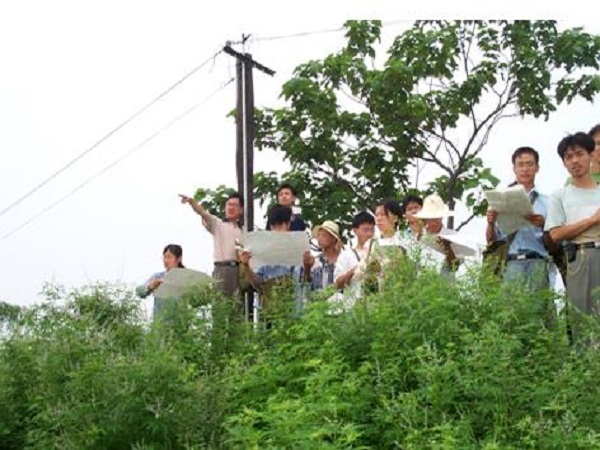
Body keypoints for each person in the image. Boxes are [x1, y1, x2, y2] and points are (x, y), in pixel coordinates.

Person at [545, 132, 600, 322]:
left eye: (580, 154)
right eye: (569, 157)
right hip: (579, 258)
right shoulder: (560, 195)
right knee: (582, 321)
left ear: (591, 155)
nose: (575, 160)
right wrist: (592, 221)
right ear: (564, 163)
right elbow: (555, 234)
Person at [485, 147, 550, 290]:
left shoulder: (547, 202)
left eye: (529, 164)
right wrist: (490, 223)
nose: (525, 169)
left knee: (538, 309)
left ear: (537, 167)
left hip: (537, 260)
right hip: (511, 262)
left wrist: (544, 225)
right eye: (520, 165)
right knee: (510, 309)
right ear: (514, 168)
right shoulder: (501, 198)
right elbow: (491, 240)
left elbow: (555, 241)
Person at [239, 204, 305, 321]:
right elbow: (258, 284)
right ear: (270, 226)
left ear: (288, 224)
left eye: (280, 225)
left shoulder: (298, 248)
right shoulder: (261, 250)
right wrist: (246, 266)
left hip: (293, 313)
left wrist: (308, 267)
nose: (277, 231)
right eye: (274, 226)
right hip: (268, 314)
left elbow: (305, 282)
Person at [179, 192, 243, 299]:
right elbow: (203, 213)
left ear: (241, 210)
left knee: (238, 306)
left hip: (239, 271)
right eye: (229, 204)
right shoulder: (218, 224)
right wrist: (192, 202)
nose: (231, 207)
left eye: (234, 205)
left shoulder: (244, 230)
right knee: (220, 304)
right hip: (222, 268)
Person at [414, 194, 462, 275]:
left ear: (441, 217)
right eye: (430, 219)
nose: (433, 222)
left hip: (445, 285)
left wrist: (447, 247)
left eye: (435, 219)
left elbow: (455, 267)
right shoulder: (419, 237)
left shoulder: (453, 236)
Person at [136, 244, 185, 318]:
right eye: (164, 257)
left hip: (181, 325)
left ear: (179, 259)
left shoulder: (186, 278)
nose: (165, 260)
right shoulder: (158, 277)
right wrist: (150, 287)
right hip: (160, 326)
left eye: (169, 257)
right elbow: (139, 292)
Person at [304, 220, 343, 292]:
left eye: (324, 235)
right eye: (319, 235)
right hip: (318, 302)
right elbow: (307, 284)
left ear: (333, 238)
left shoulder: (343, 259)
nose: (320, 239)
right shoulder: (315, 260)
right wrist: (307, 268)